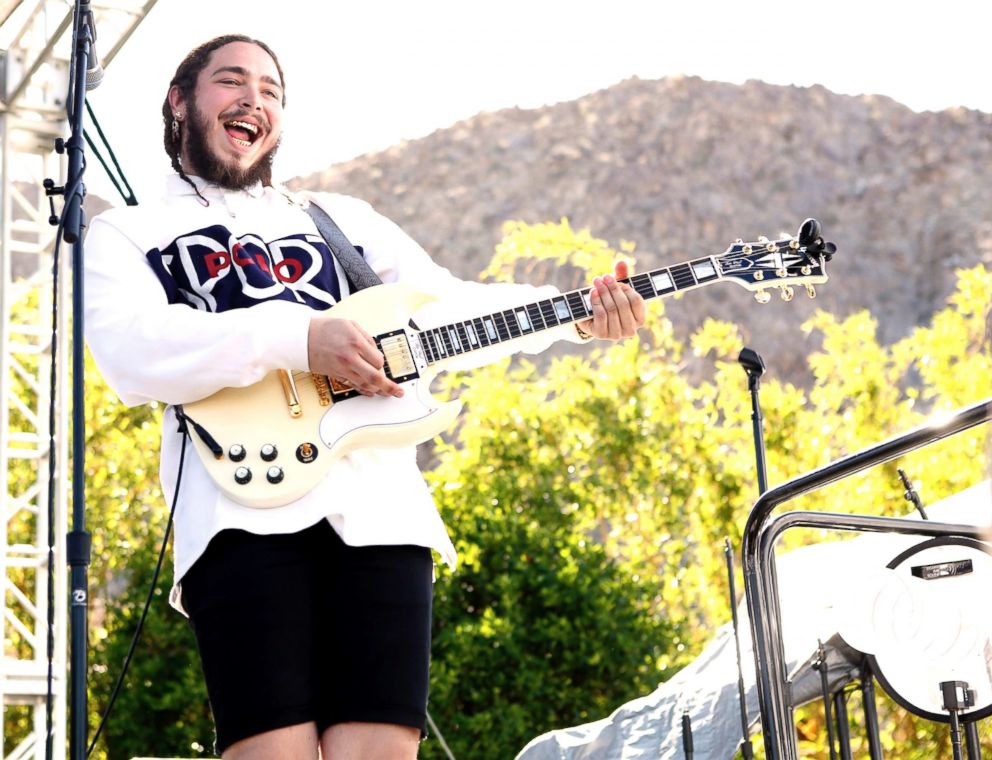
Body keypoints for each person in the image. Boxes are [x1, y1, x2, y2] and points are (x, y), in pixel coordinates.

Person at [84, 34, 646, 760]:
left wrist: (571, 314)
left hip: (380, 516)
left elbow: (446, 308)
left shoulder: (338, 218)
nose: (254, 98)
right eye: (231, 81)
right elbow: (133, 352)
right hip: (241, 511)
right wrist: (298, 337)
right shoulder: (129, 232)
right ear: (180, 101)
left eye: (272, 89)